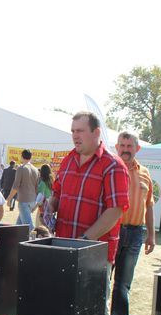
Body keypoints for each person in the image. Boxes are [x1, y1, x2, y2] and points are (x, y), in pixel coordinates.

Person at [48, 111, 129, 265]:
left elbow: (116, 210)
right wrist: (50, 207)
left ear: (96, 132)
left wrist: (83, 241)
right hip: (62, 248)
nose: (75, 136)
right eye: (73, 131)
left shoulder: (113, 165)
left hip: (95, 257)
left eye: (80, 131)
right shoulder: (67, 161)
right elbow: (57, 193)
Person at [109, 131, 155, 315]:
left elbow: (150, 205)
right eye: (122, 145)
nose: (125, 150)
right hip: (111, 231)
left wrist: (151, 235)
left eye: (129, 146)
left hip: (136, 232)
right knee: (102, 278)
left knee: (124, 282)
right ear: (116, 147)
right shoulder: (109, 169)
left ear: (137, 148)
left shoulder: (145, 173)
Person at [6, 149, 39, 232]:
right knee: (18, 227)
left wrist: (9, 199)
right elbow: (36, 187)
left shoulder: (21, 168)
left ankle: (36, 240)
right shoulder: (35, 169)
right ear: (31, 157)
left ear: (21, 156)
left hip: (24, 201)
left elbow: (16, 186)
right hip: (32, 200)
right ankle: (15, 242)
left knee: (29, 228)